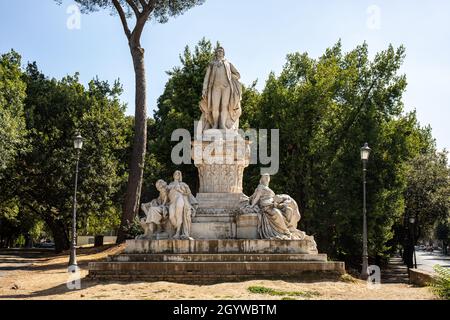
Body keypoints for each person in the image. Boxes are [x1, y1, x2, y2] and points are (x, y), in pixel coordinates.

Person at [200, 46, 242, 131]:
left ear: (223, 53)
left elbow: (238, 75)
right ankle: (215, 124)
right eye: (218, 51)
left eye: (221, 51)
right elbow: (206, 78)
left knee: (224, 106)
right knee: (215, 107)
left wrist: (230, 75)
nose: (220, 52)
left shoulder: (228, 64)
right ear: (216, 53)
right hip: (215, 88)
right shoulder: (212, 64)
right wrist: (204, 89)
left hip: (226, 88)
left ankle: (222, 124)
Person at [167, 171, 198, 240]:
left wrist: (180, 190)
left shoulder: (183, 184)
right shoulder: (170, 184)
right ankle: (176, 226)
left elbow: (188, 193)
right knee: (171, 216)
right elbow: (166, 193)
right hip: (172, 201)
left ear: (180, 176)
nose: (177, 175)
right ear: (173, 175)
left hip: (180, 198)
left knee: (179, 215)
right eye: (175, 174)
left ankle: (178, 232)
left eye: (178, 174)